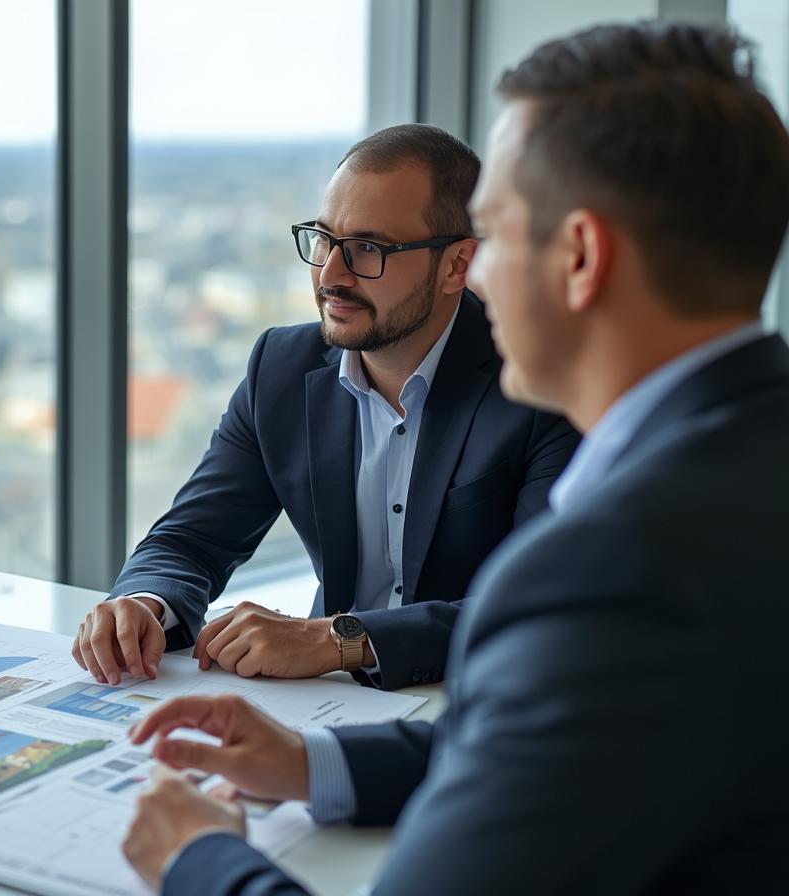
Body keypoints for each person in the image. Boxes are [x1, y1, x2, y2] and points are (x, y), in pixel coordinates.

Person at [121, 20, 789, 894]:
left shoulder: (616, 567)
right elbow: (568, 743)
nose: (479, 276)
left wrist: (197, 859)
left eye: (497, 235)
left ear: (580, 257)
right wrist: (314, 764)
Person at [74, 124, 578, 691]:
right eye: (323, 239)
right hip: (326, 699)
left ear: (457, 265)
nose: (331, 275)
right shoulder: (281, 368)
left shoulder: (543, 383)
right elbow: (191, 539)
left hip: (482, 697)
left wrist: (339, 640)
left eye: (368, 248)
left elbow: (546, 604)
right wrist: (143, 603)